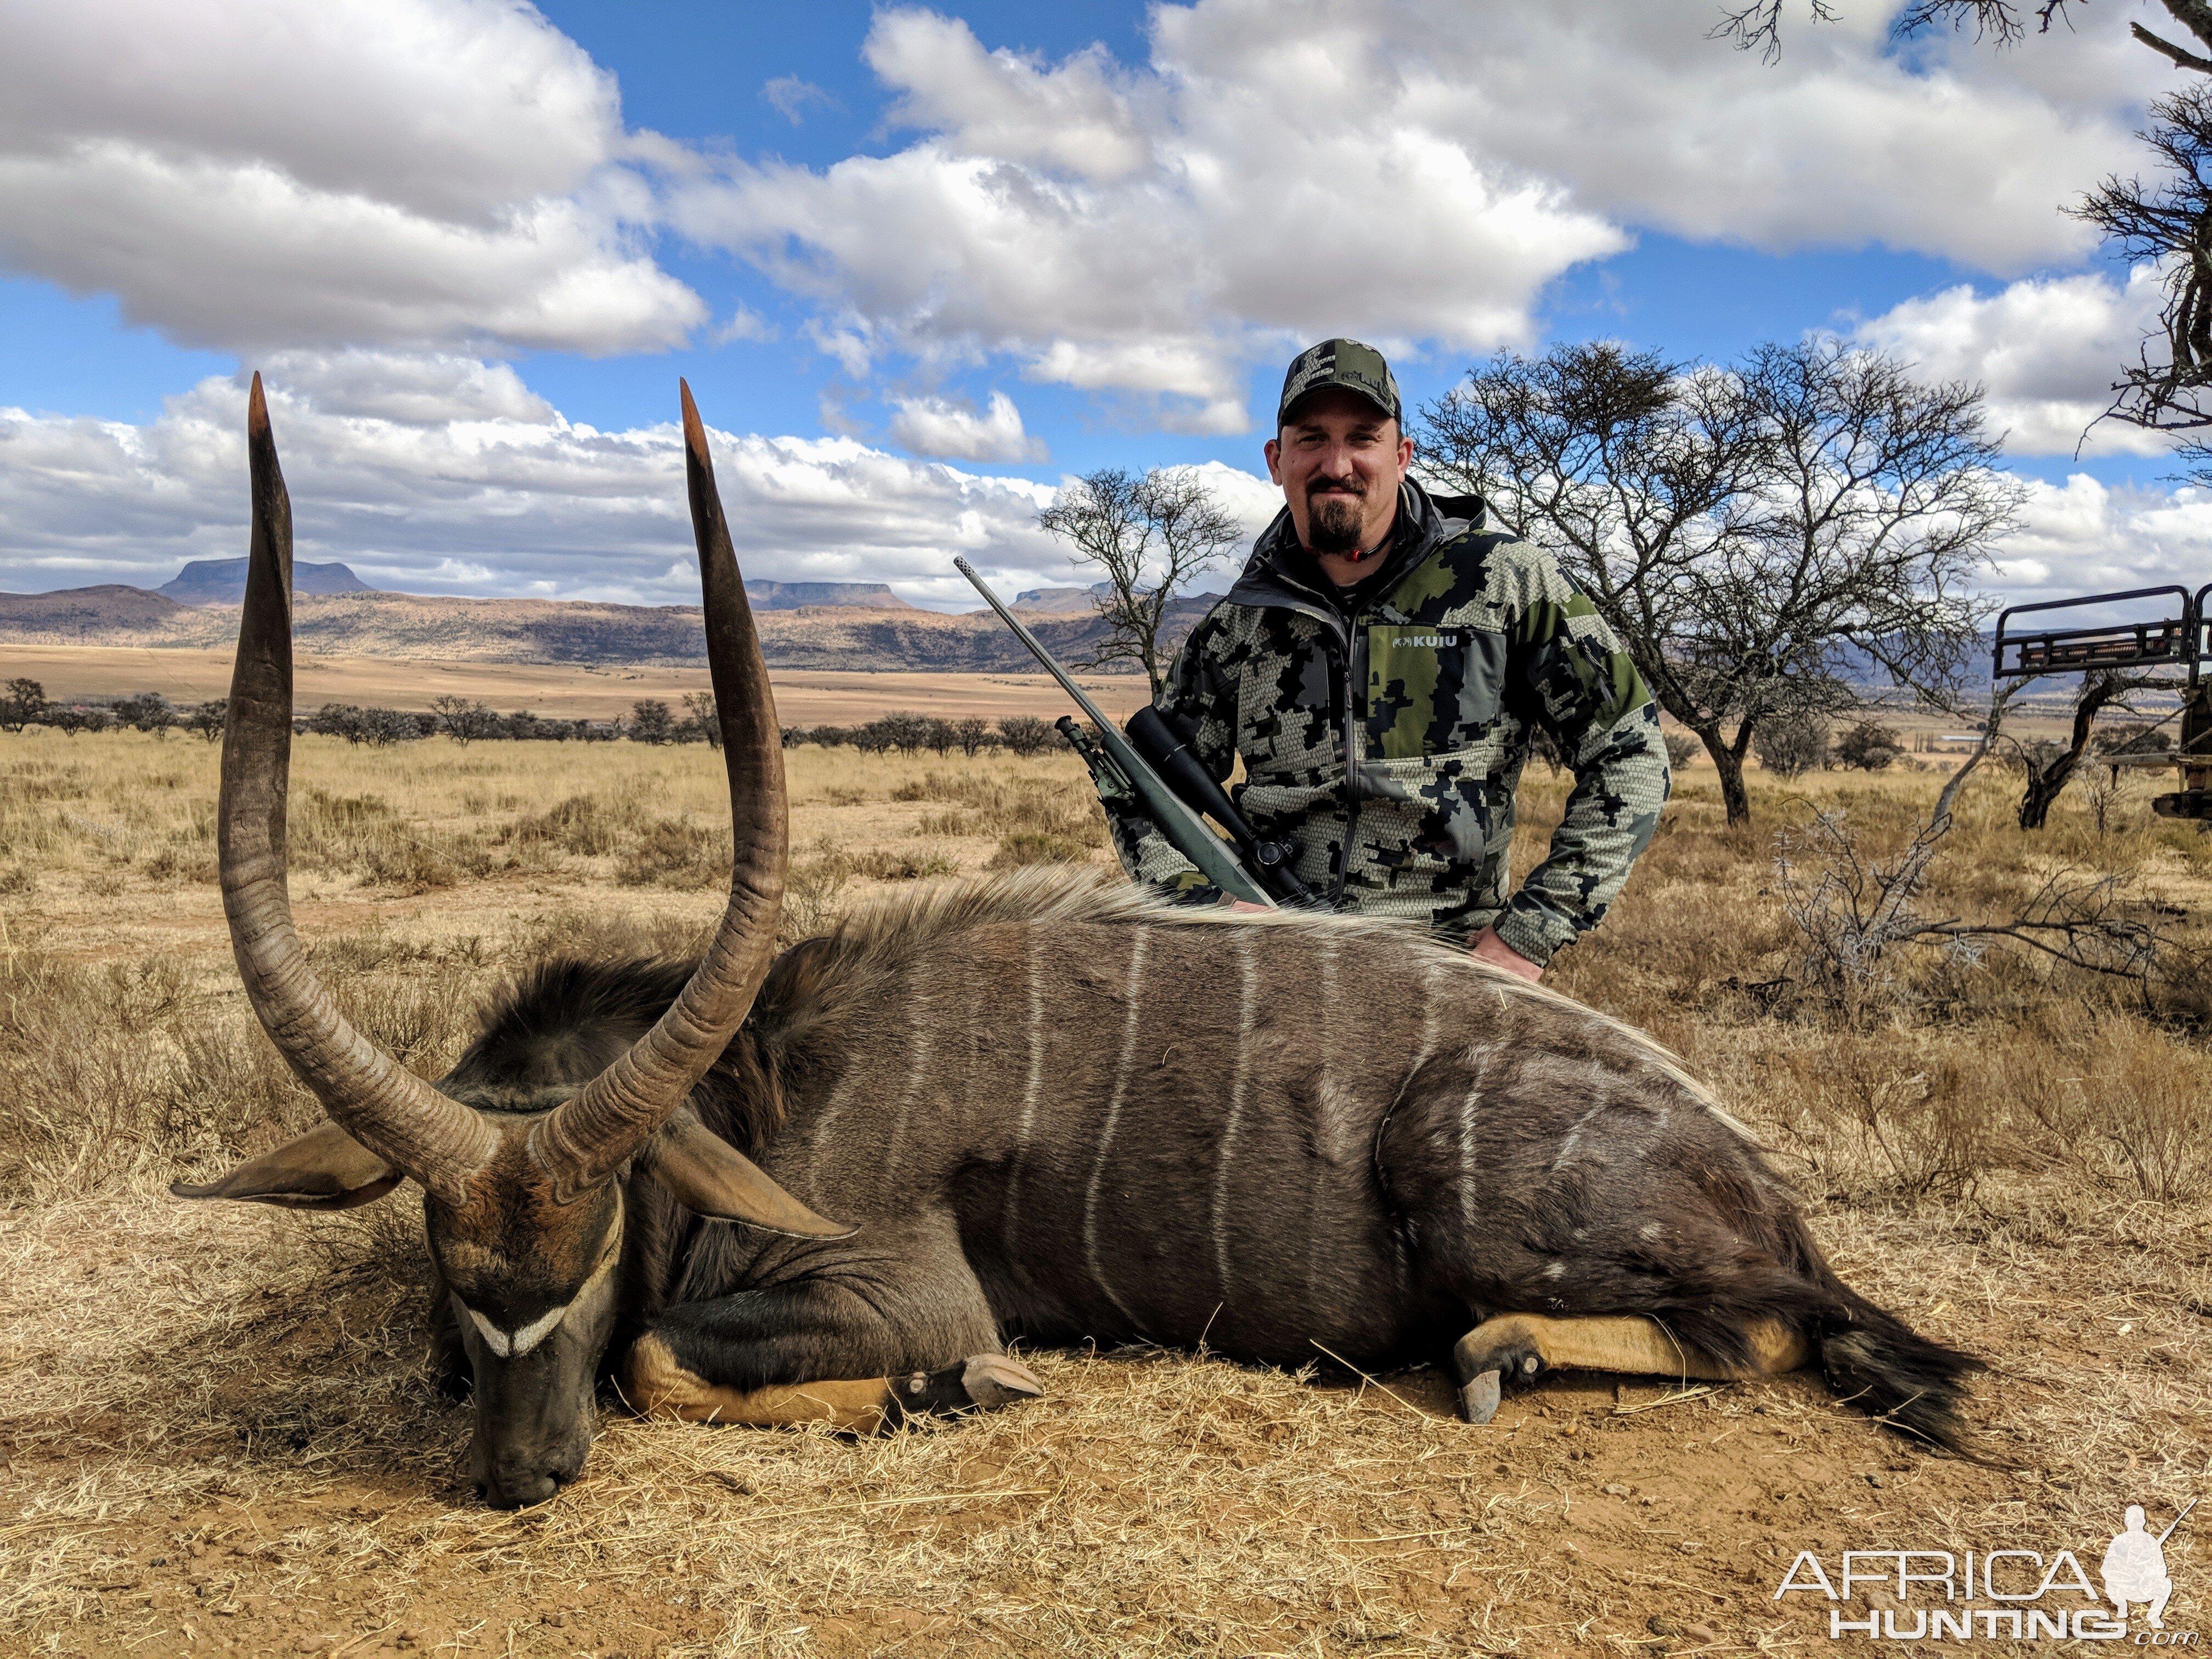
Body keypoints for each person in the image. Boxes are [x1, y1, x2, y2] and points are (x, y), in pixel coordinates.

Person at [1106, 337, 1670, 981]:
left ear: (1401, 456)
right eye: (1311, 439)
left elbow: (1631, 752)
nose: (1337, 463)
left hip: (1454, 965)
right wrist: (1206, 904)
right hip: (1275, 955)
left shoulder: (1508, 582)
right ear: (1276, 459)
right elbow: (1142, 792)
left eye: (1363, 438)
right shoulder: (1238, 621)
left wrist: (1527, 935)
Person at [2102, 1506, 2174, 1629]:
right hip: (2123, 1588)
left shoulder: (2150, 1541)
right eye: (2132, 1520)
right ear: (2126, 1521)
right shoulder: (2119, 1541)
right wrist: (2125, 1574)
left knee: (2166, 1583)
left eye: (2137, 1520)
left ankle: (2154, 1615)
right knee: (2110, 1583)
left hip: (2145, 1589)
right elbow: (2106, 1570)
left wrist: (2147, 1575)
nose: (2135, 1523)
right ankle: (2122, 1607)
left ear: (2143, 1522)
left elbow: (2162, 1570)